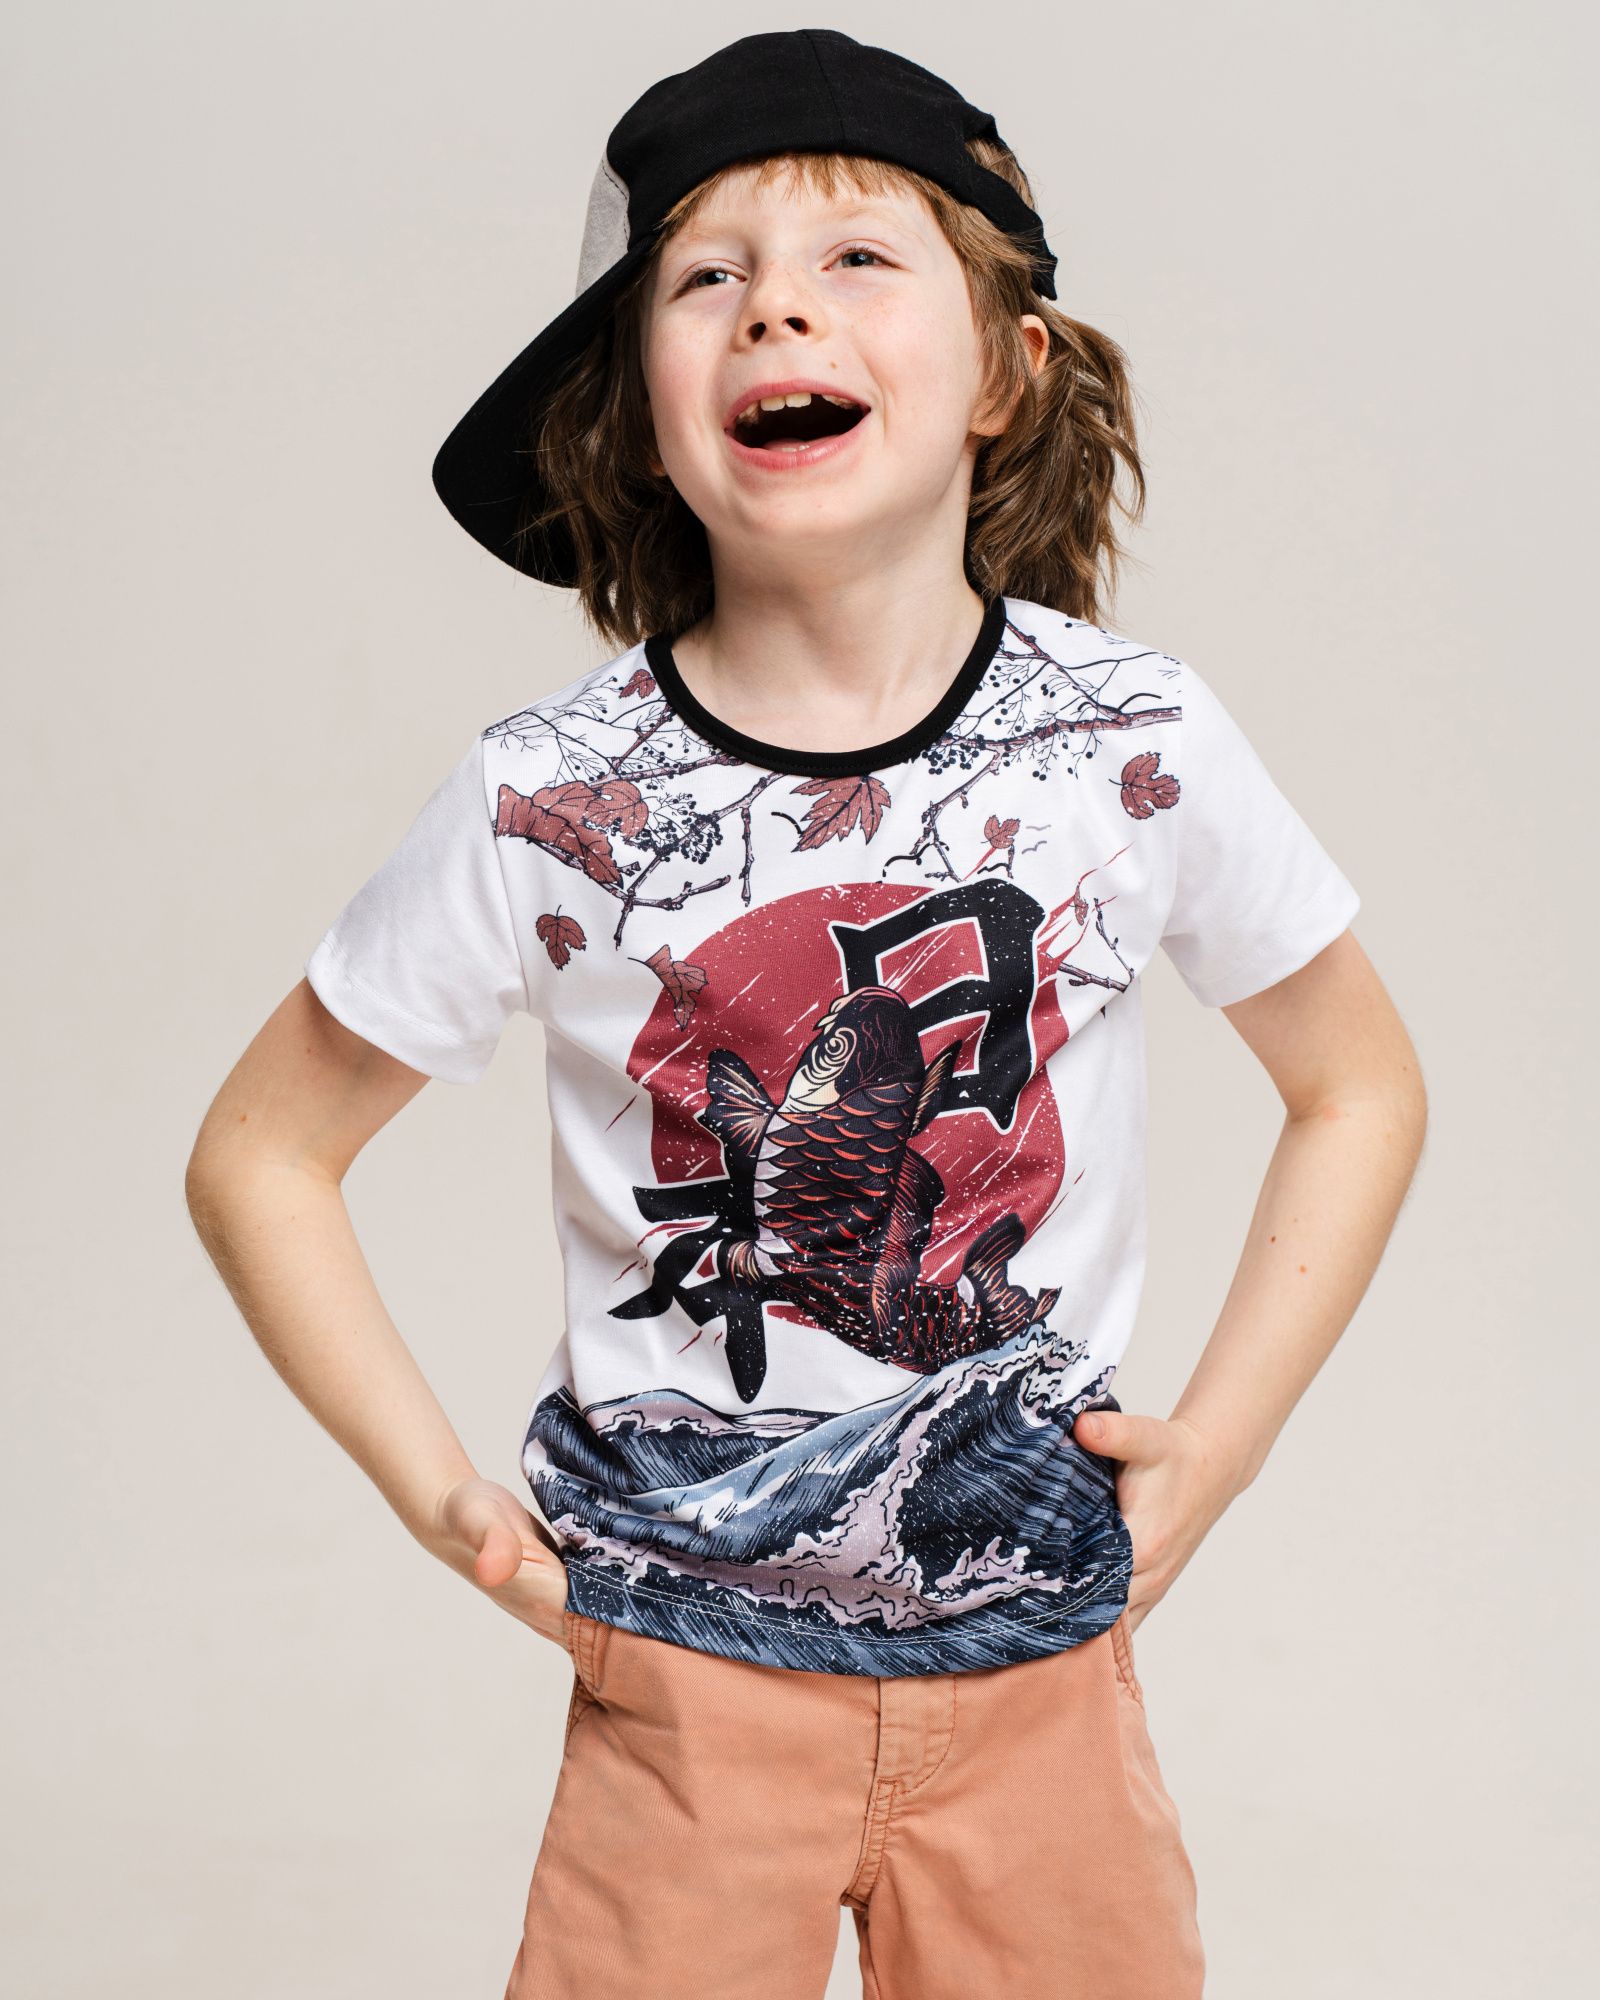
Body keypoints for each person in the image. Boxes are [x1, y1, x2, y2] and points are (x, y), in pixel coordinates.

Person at [185, 28, 1427, 2000]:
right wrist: (448, 1501)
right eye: (706, 275)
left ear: (1005, 368)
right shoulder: (550, 796)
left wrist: (1224, 1442)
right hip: (679, 1677)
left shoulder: (1132, 743)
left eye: (858, 257)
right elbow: (262, 1155)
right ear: (639, 416)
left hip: (1032, 1649)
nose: (776, 302)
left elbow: (1357, 1083)